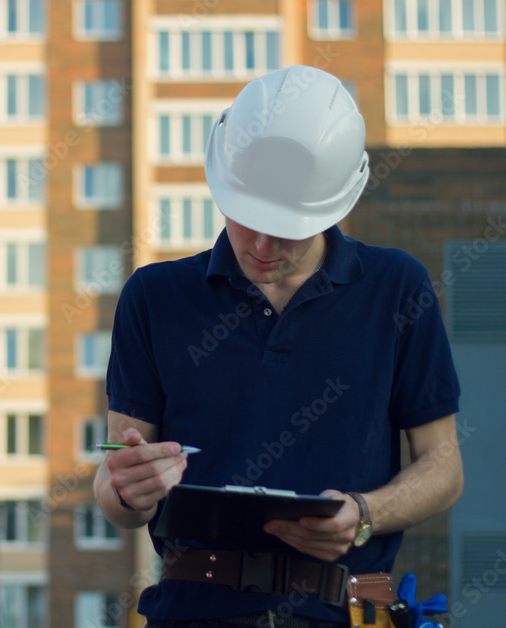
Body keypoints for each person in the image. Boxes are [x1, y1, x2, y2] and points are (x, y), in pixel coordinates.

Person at [94, 65, 463, 628]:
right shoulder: (154, 297)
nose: (262, 244)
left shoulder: (397, 289)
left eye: (285, 226)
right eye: (246, 217)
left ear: (335, 206)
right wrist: (126, 490)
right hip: (196, 611)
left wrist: (364, 514)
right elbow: (115, 480)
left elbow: (444, 466)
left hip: (349, 611)